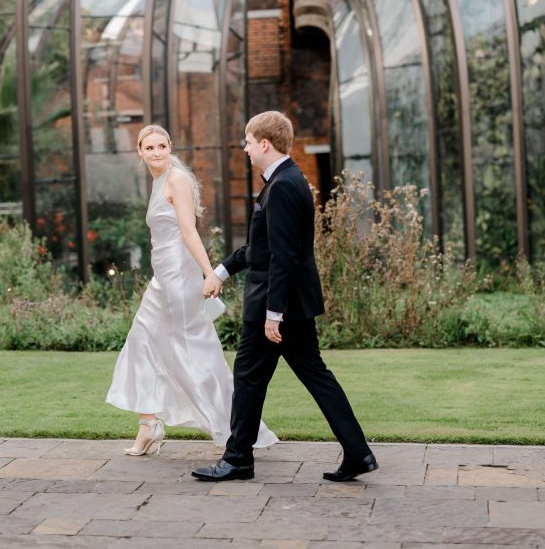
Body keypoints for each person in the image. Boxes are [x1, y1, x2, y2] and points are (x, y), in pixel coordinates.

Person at [192, 111, 377, 482]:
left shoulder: (283, 186)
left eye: (248, 142)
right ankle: (358, 452)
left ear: (264, 144)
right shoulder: (284, 181)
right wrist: (221, 271)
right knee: (313, 376)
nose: (245, 149)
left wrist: (273, 313)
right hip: (289, 305)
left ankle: (237, 459)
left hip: (275, 307)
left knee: (248, 378)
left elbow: (284, 256)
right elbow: (261, 248)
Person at [106, 124, 277, 456]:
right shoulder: (158, 182)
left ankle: (236, 430)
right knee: (141, 342)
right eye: (149, 147)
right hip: (162, 279)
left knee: (195, 355)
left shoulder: (177, 180)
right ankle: (148, 426)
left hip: (178, 279)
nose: (156, 152)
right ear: (140, 152)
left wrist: (210, 274)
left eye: (161, 146)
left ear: (170, 147)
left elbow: (188, 232)